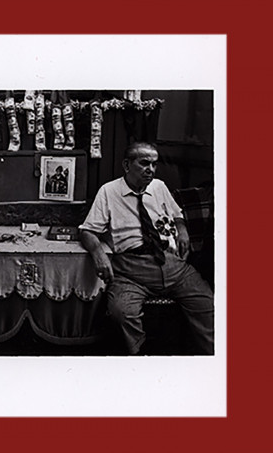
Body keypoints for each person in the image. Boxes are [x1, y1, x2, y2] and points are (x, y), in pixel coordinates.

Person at [79, 142, 214, 355]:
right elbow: (87, 230)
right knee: (121, 313)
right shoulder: (109, 191)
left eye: (154, 164)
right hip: (131, 271)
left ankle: (213, 360)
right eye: (144, 164)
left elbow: (177, 213)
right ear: (126, 165)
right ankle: (140, 358)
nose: (150, 170)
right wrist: (97, 252)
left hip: (173, 265)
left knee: (208, 306)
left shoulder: (159, 186)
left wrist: (182, 228)